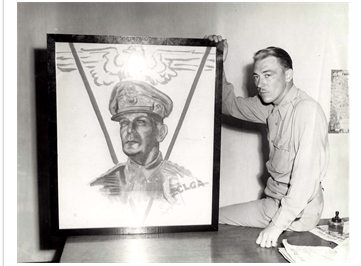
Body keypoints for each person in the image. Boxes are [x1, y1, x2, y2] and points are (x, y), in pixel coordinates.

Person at [206, 35, 329, 248]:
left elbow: (306, 179)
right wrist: (218, 59)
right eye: (256, 77)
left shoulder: (306, 111)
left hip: (296, 214)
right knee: (211, 218)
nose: (260, 84)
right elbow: (228, 105)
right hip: (272, 204)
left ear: (288, 74)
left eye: (268, 75)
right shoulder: (269, 107)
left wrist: (276, 225)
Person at [89, 79, 210, 226]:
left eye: (140, 122)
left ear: (160, 132)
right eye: (124, 123)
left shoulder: (183, 181)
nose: (129, 130)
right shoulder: (102, 186)